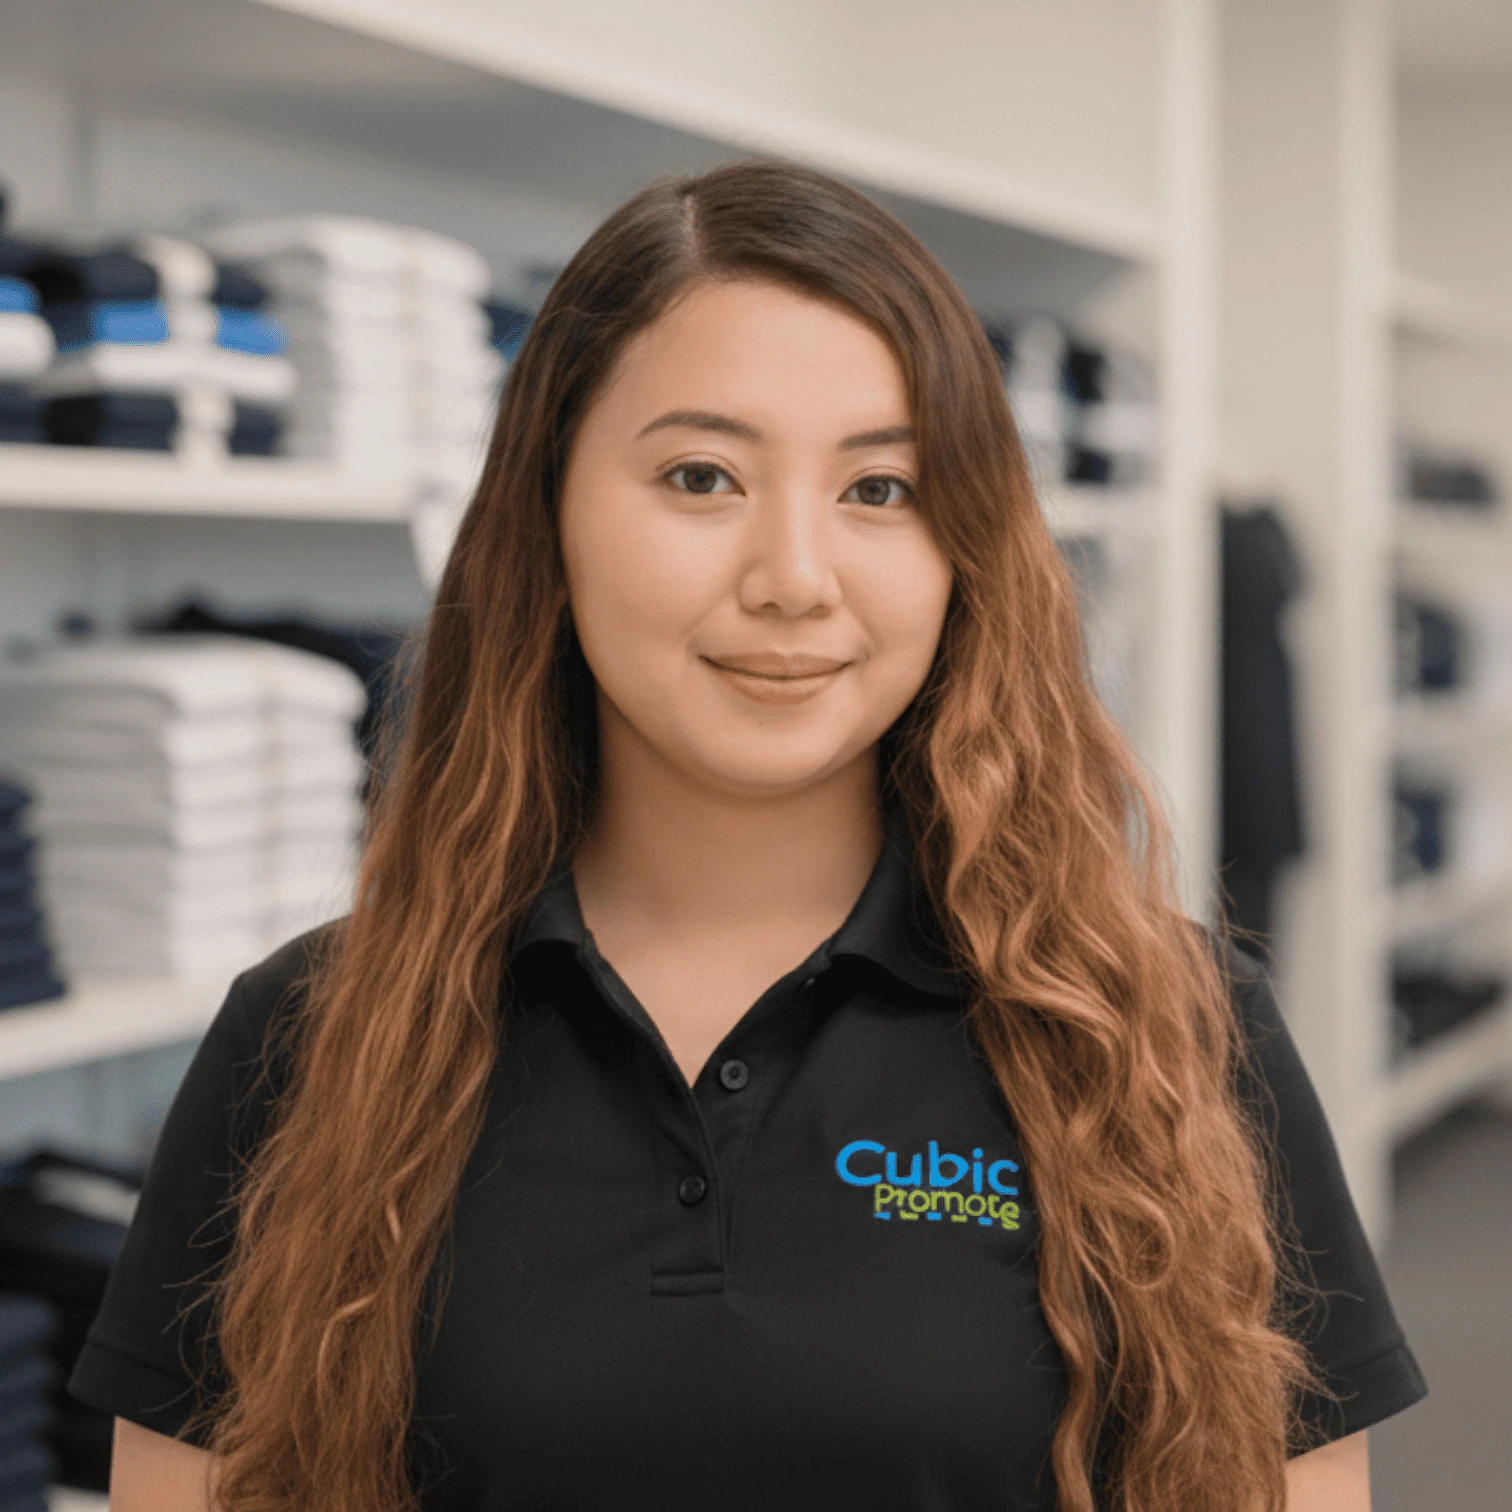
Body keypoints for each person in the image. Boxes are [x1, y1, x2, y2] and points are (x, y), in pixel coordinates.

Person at [70, 156, 1425, 1512]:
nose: (792, 579)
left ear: (968, 550)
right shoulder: (311, 1035)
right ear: (547, 514)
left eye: (880, 489)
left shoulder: (1169, 1028)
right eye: (702, 476)